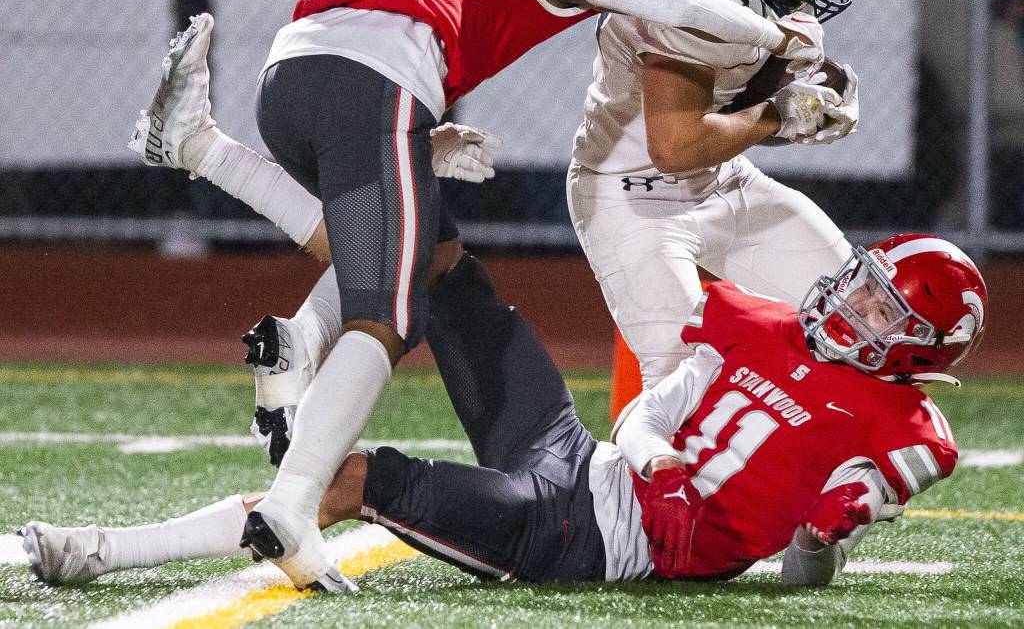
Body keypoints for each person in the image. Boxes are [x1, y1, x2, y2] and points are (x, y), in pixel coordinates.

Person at [127, 0, 829, 591]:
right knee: (389, 314)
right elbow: (660, 0)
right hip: (378, 78)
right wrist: (774, 38)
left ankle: (206, 152)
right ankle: (295, 497)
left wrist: (419, 141)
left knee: (407, 251)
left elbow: (363, 29)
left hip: (292, 77)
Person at [21, 234, 987, 587]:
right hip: (586, 459)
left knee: (352, 481)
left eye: (880, 308)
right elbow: (668, 401)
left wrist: (828, 539)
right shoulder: (769, 327)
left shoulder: (899, 433)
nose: (849, 303)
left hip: (588, 539)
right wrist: (646, 438)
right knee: (436, 251)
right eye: (860, 283)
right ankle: (302, 356)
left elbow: (804, 567)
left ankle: (107, 549)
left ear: (917, 346)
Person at [567, 0, 881, 394]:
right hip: (633, 193)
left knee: (859, 317)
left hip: (719, 181)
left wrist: (812, 99)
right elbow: (675, 145)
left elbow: (734, 113)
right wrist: (783, 116)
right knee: (684, 396)